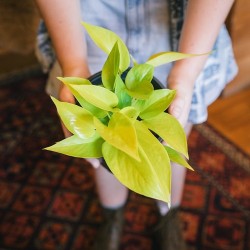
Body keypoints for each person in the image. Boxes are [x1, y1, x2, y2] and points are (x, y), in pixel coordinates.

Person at [35, 1, 237, 249]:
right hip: (84, 21)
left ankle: (168, 214)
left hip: (188, 27)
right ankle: (112, 214)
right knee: (103, 155)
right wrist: (74, 66)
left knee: (172, 137)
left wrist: (185, 74)